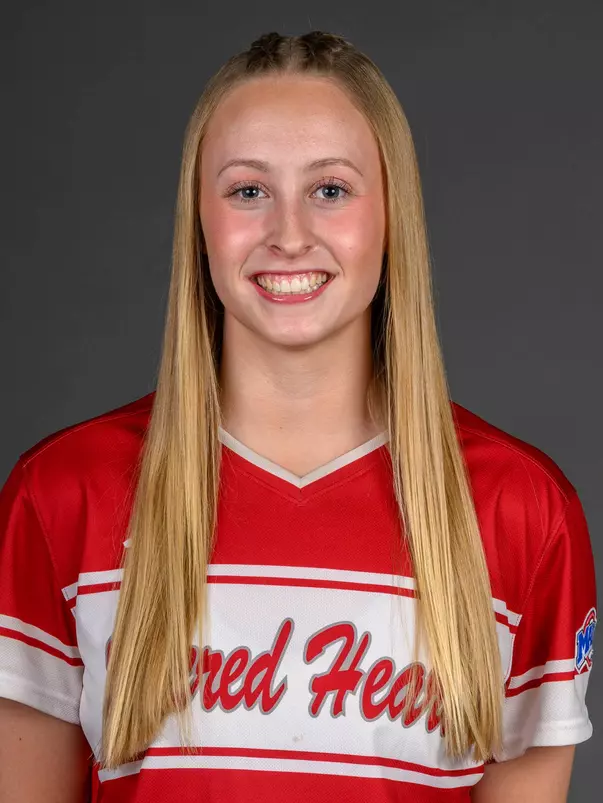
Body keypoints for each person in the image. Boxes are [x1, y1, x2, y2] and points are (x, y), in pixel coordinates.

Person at [0, 30, 596, 803]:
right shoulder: (62, 495)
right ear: (198, 222)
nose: (287, 234)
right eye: (248, 190)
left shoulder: (519, 509)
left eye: (330, 189)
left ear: (391, 214)